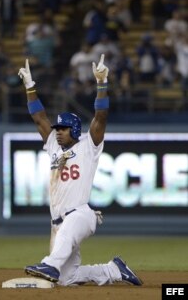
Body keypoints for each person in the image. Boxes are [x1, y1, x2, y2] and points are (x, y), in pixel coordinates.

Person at [17, 54, 143, 287]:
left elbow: (101, 117)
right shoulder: (54, 146)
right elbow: (39, 118)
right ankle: (114, 270)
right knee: (67, 279)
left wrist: (102, 84)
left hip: (79, 215)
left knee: (54, 265)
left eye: (63, 129)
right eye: (57, 129)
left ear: (74, 129)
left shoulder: (89, 146)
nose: (58, 132)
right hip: (58, 223)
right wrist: (29, 87)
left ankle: (50, 263)